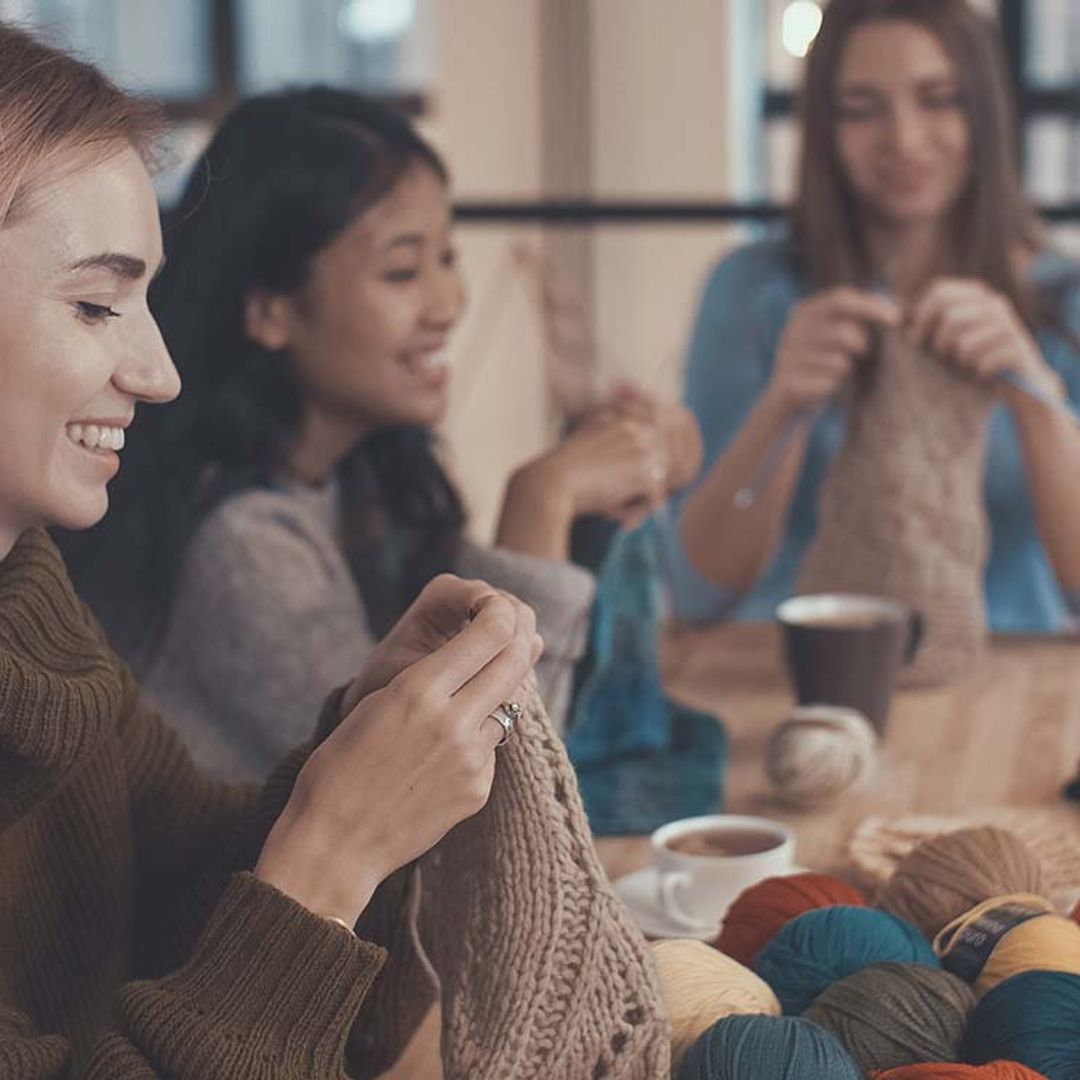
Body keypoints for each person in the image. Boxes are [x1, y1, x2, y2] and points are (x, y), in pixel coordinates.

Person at [0, 22, 667, 1077]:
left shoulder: (24, 598)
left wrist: (357, 737)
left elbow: (176, 878)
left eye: (144, 304)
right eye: (95, 305)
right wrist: (336, 848)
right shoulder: (235, 538)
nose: (156, 372)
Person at [59, 87, 701, 780]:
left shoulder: (359, 476)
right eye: (402, 270)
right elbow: (482, 803)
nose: (449, 304)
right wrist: (542, 500)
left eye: (447, 258)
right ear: (271, 309)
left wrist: (600, 494)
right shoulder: (238, 547)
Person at [669, 0, 1080, 632]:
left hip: (1007, 677)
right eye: (862, 109)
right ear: (824, 128)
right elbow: (697, 589)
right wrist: (784, 404)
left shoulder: (1063, 302)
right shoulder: (754, 291)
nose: (904, 139)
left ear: (986, 110)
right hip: (791, 675)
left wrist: (1036, 394)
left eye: (938, 98)